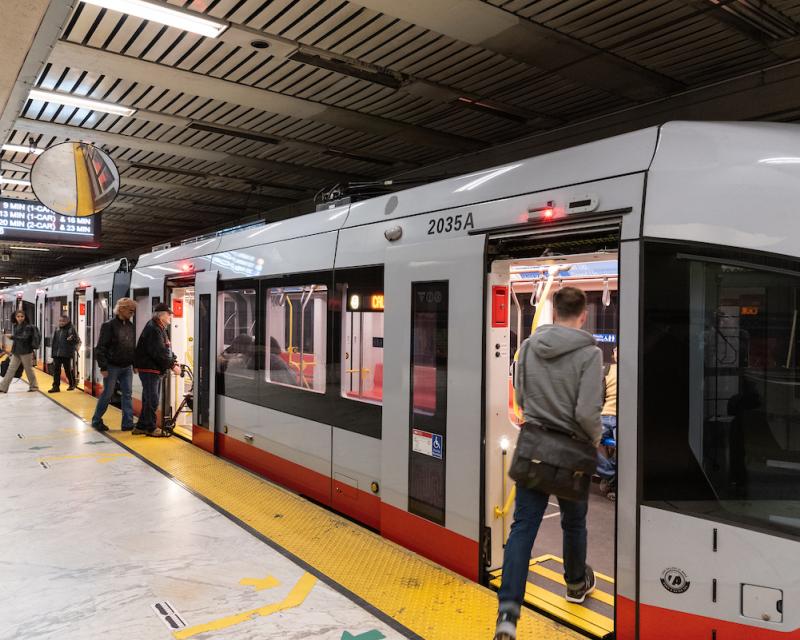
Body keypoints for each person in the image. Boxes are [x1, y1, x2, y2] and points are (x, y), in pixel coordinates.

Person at [494, 286, 603, 640]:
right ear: (583, 314)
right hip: (571, 451)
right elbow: (587, 412)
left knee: (523, 527)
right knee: (574, 523)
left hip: (535, 446)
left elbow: (521, 397)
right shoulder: (590, 354)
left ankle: (508, 616)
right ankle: (574, 583)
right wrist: (596, 438)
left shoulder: (527, 347)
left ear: (553, 311)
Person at [133, 303, 179, 437]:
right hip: (150, 369)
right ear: (161, 315)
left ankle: (141, 426)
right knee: (152, 399)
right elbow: (158, 352)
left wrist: (173, 359)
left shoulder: (159, 327)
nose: (170, 316)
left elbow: (166, 348)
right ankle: (151, 428)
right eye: (168, 314)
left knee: (148, 399)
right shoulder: (154, 329)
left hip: (152, 368)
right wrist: (172, 366)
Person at [92, 297, 136, 431]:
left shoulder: (130, 325)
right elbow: (101, 347)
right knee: (108, 393)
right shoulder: (109, 325)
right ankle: (96, 420)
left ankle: (127, 423)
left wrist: (134, 363)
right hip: (112, 366)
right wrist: (103, 366)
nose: (132, 313)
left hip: (126, 366)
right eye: (130, 310)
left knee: (127, 394)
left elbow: (131, 346)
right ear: (121, 309)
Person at [0, 309, 40, 393]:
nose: (20, 318)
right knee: (11, 369)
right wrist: (12, 350)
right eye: (18, 316)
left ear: (25, 317)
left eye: (22, 316)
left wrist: (12, 337)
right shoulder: (16, 325)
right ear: (15, 317)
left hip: (26, 352)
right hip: (16, 351)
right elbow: (17, 341)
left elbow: (25, 338)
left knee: (28, 369)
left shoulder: (27, 327)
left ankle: (34, 386)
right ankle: (3, 387)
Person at [597, 347, 618, 501]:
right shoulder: (607, 370)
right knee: (583, 443)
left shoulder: (635, 371)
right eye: (616, 350)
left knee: (625, 449)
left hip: (624, 418)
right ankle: (612, 476)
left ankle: (611, 479)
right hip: (604, 415)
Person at [49, 314, 80, 393]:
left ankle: (72, 384)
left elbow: (77, 340)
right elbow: (54, 342)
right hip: (57, 354)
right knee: (56, 370)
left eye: (63, 321)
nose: (61, 322)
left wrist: (71, 339)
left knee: (67, 370)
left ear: (67, 321)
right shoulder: (57, 329)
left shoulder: (71, 329)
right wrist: (53, 353)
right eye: (60, 321)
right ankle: (55, 387)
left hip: (66, 353)